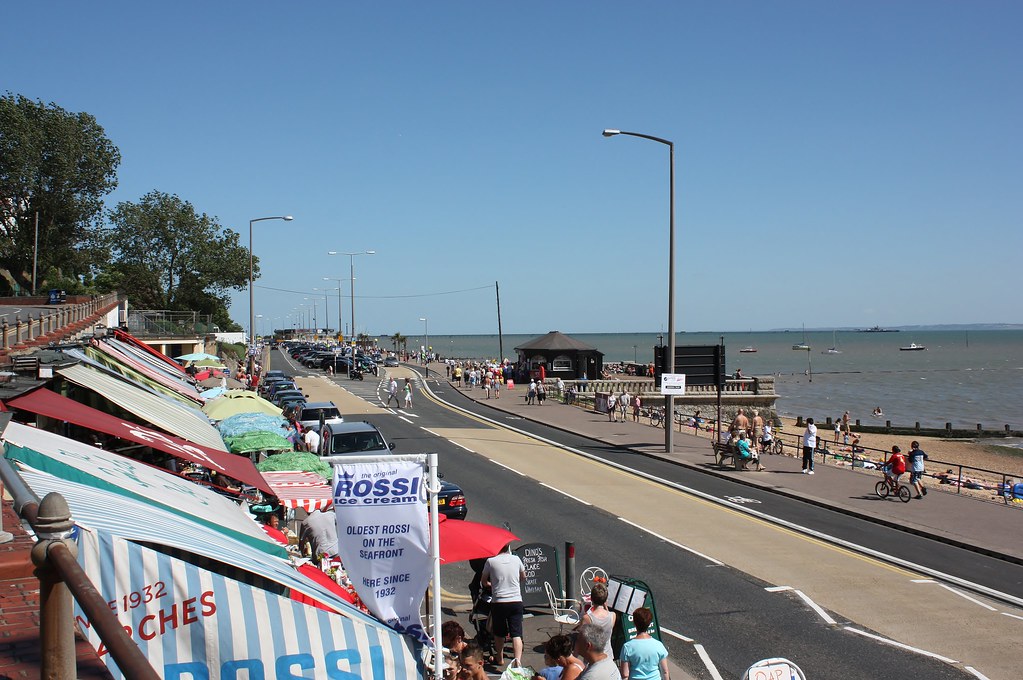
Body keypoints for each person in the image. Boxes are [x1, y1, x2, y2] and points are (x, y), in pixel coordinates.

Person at [481, 543, 525, 667]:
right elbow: (523, 576)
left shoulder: (491, 561)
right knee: (516, 633)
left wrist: (492, 585)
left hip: (499, 602)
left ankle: (499, 658)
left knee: (499, 633)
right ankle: (517, 661)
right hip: (516, 601)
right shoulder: (516, 559)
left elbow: (484, 581)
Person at [618, 607, 668, 680]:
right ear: (649, 623)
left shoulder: (627, 647)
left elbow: (625, 674)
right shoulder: (658, 645)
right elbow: (665, 672)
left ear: (634, 623)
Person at [579, 582, 616, 658]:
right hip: (608, 656)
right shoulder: (613, 615)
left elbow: (581, 640)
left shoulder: (587, 618)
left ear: (591, 599)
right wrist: (606, 607)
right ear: (605, 599)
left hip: (593, 657)